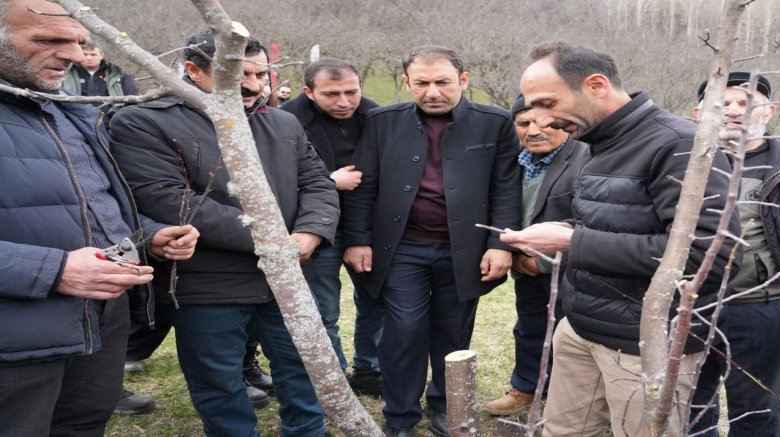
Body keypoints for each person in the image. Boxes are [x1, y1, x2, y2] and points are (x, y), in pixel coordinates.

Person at [500, 41, 738, 437]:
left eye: (547, 103)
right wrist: (568, 233)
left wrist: (571, 243)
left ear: (595, 86)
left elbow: (709, 257)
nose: (541, 121)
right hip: (579, 329)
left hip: (644, 345)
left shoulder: (678, 144)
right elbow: (616, 224)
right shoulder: (595, 143)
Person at [108, 30, 339, 436]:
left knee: (303, 368)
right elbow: (169, 200)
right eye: (237, 74)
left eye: (260, 74)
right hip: (206, 282)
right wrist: (275, 241)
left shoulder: (282, 122)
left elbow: (318, 184)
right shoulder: (144, 120)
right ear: (193, 70)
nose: (252, 85)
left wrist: (310, 232)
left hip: (286, 276)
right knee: (219, 383)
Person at [0, 1, 198, 436]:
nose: (74, 55)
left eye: (79, 42)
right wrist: (55, 270)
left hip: (99, 323)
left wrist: (148, 236)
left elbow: (94, 200)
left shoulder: (72, 110)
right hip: (15, 339)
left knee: (83, 423)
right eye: (49, 40)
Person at [343, 45, 521, 437]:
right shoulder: (381, 121)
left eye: (443, 82)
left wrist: (501, 243)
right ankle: (401, 414)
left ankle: (446, 405)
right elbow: (364, 184)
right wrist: (357, 239)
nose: (433, 92)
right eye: (421, 83)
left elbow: (507, 186)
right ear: (407, 83)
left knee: (453, 330)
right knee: (403, 330)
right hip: (401, 248)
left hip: (466, 250)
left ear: (464, 81)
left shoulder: (495, 122)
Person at [686, 72, 780, 437]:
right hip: (693, 305)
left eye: (746, 103)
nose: (734, 111)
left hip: (766, 310)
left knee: (755, 409)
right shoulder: (679, 161)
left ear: (768, 112)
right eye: (721, 104)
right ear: (698, 113)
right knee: (690, 403)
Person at [281, 57, 385, 397]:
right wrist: (328, 182)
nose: (344, 102)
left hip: (368, 224)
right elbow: (274, 179)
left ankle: (370, 370)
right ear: (309, 92)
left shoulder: (376, 116)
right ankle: (334, 376)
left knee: (375, 301)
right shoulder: (285, 120)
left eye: (351, 92)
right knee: (322, 307)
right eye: (331, 94)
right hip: (313, 226)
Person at [482, 94, 588, 416]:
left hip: (573, 271)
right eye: (524, 123)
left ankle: (570, 404)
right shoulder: (513, 161)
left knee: (571, 339)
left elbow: (589, 222)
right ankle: (526, 389)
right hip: (525, 267)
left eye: (545, 123)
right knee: (530, 328)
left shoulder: (586, 158)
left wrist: (541, 260)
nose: (534, 131)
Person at [63, 40, 138, 108]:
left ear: (101, 55)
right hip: (76, 117)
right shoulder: (66, 73)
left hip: (112, 118)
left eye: (93, 55)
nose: (89, 58)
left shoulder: (117, 73)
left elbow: (132, 100)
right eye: (85, 54)